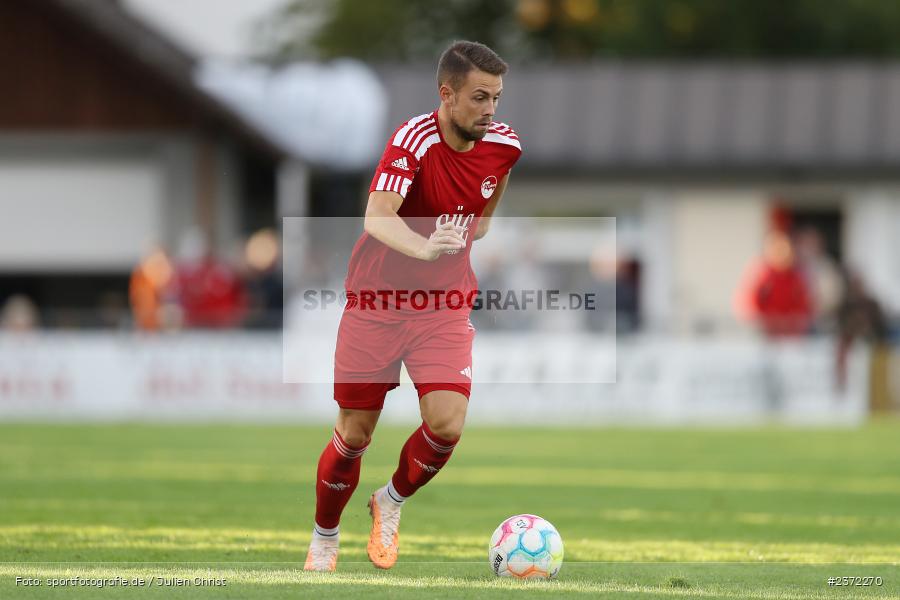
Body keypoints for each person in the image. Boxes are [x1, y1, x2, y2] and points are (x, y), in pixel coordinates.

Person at [303, 40, 522, 572]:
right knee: (354, 434)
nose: (490, 109)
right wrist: (426, 246)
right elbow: (376, 218)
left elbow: (485, 218)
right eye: (478, 97)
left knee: (447, 424)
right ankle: (324, 538)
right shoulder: (412, 139)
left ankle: (390, 502)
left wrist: (454, 239)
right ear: (446, 95)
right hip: (376, 302)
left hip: (442, 306)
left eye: (495, 97)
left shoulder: (506, 146)